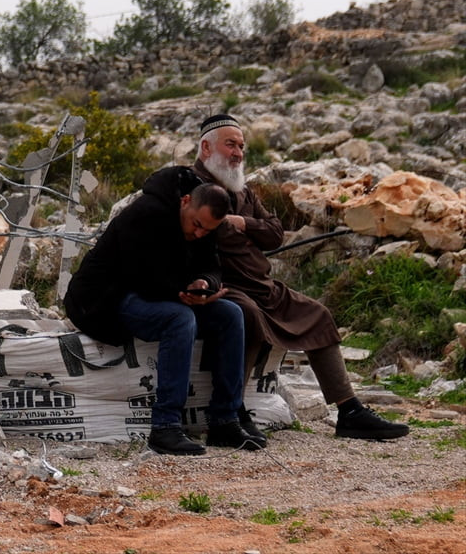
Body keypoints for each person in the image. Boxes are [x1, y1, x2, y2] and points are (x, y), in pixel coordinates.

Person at [192, 113, 409, 440]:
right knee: (246, 317)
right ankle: (231, 412)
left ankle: (349, 410)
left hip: (263, 286)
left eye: (242, 146)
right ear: (206, 148)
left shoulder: (244, 191)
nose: (238, 153)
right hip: (228, 287)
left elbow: (276, 234)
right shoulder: (192, 188)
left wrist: (244, 224)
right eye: (230, 145)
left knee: (318, 315)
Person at [63, 168, 262, 455]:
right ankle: (166, 427)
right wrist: (186, 296)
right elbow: (139, 276)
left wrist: (206, 284)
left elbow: (212, 265)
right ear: (184, 202)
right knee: (180, 319)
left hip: (166, 293)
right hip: (108, 298)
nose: (199, 233)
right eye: (196, 225)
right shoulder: (146, 213)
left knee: (230, 314)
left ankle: (224, 421)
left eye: (207, 229)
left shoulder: (203, 224)